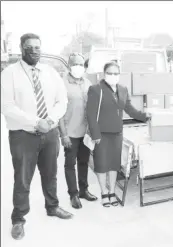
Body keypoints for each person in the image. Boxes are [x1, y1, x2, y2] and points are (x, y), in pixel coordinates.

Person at [1, 33, 73, 240]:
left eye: (37, 47)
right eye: (29, 47)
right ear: (22, 48)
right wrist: (35, 122)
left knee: (50, 174)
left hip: (49, 134)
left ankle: (53, 206)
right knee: (23, 179)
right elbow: (6, 106)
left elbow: (62, 101)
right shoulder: (9, 73)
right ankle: (18, 219)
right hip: (23, 136)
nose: (34, 51)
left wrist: (49, 121)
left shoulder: (50, 72)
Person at [86, 61, 150, 207]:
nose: (113, 76)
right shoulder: (96, 89)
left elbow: (130, 109)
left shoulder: (122, 89)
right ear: (104, 73)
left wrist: (146, 116)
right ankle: (104, 192)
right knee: (102, 164)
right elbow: (90, 114)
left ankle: (112, 192)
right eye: (110, 73)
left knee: (114, 165)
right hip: (101, 134)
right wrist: (95, 134)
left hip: (117, 133)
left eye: (116, 73)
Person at [58, 53, 98, 209]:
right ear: (69, 66)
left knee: (83, 162)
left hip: (85, 131)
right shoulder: (62, 84)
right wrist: (63, 134)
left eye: (81, 64)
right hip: (70, 133)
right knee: (70, 164)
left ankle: (83, 190)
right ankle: (73, 195)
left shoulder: (87, 83)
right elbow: (59, 111)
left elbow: (92, 107)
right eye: (75, 64)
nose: (79, 67)